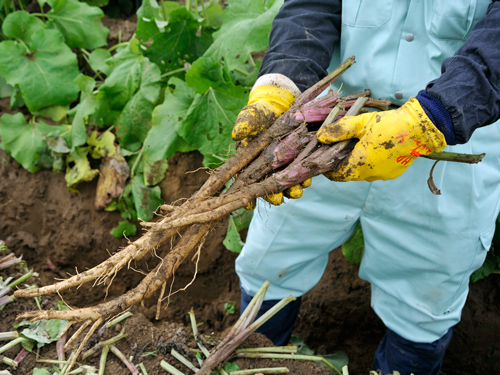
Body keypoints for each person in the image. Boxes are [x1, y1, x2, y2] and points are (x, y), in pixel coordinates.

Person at [231, 1, 500, 374]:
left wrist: (434, 117)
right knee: (270, 261)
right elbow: (310, 7)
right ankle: (249, 363)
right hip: (326, 133)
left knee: (425, 304)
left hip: (448, 143)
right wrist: (282, 82)